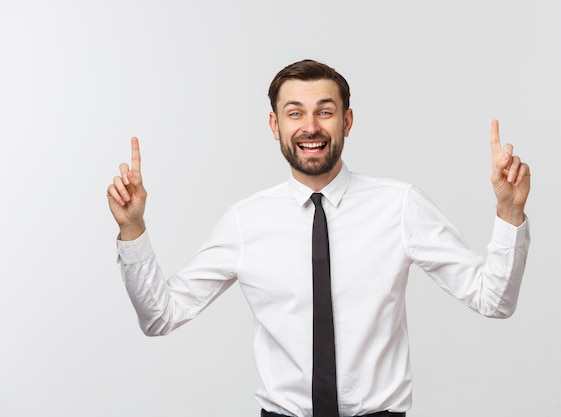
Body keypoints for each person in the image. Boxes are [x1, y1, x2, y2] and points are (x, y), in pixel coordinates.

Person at [107, 59, 530, 417]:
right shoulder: (245, 221)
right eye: (295, 113)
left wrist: (510, 212)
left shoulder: (400, 206)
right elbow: (160, 316)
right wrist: (132, 230)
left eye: (325, 112)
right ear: (275, 125)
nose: (311, 127)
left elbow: (493, 301)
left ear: (346, 120)